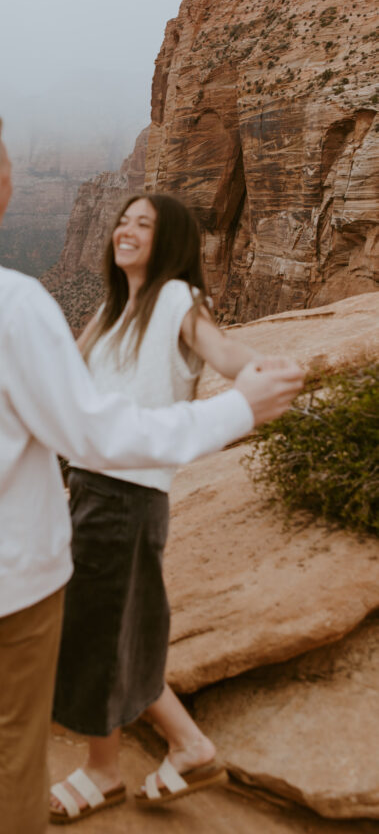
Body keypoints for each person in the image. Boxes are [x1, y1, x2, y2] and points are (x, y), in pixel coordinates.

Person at [0, 101, 304, 834]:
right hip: (14, 575)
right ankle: (127, 758)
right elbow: (88, 432)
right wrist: (238, 409)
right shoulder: (16, 302)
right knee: (13, 747)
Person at [49, 193, 282, 824]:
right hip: (93, 491)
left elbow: (224, 352)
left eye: (142, 225)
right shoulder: (107, 311)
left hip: (128, 498)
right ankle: (190, 746)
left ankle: (104, 771)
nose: (125, 230)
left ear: (170, 239)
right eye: (122, 221)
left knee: (99, 633)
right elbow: (60, 379)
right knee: (113, 630)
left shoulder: (178, 299)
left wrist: (259, 373)